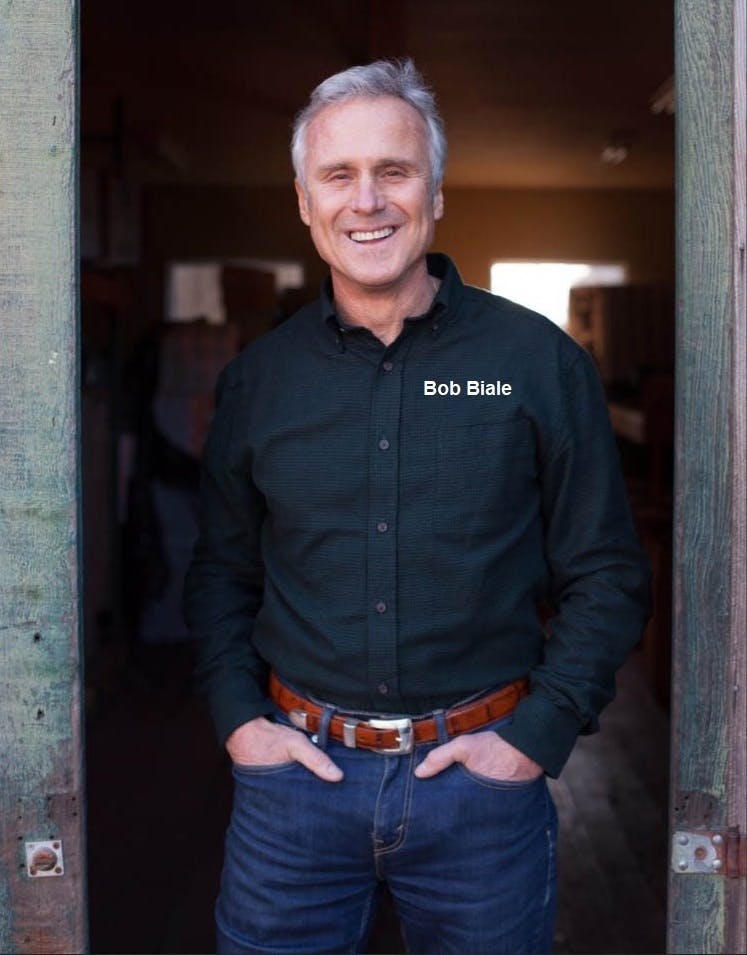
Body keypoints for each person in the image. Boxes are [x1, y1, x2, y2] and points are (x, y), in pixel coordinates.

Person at [184, 58, 651, 955]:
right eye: (338, 175)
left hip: (481, 790)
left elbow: (608, 574)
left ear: (434, 194)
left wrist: (533, 737)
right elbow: (220, 573)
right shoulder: (258, 383)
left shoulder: (539, 364)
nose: (368, 201)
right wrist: (239, 721)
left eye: (393, 171)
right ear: (303, 200)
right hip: (293, 785)